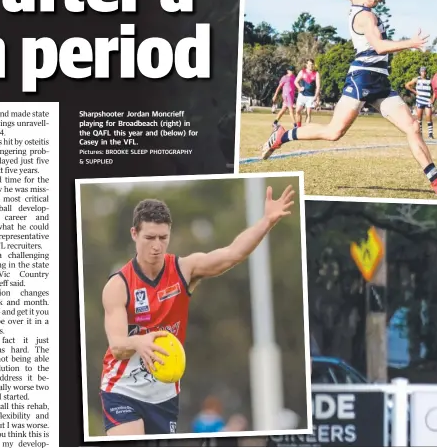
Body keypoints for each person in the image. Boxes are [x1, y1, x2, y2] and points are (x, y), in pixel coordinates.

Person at [99, 185, 296, 436]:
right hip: (122, 389)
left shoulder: (184, 269)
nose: (157, 246)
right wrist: (138, 342)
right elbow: (116, 347)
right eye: (149, 238)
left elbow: (232, 254)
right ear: (134, 234)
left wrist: (266, 221)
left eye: (163, 237)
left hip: (164, 392)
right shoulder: (119, 285)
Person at [259, 0, 437, 197]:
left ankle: (436, 180)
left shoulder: (361, 6)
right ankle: (282, 136)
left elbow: (359, 3)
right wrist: (411, 43)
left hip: (380, 80)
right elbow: (379, 47)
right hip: (362, 78)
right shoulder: (366, 17)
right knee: (333, 132)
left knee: (413, 127)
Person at [405, 66, 436, 139]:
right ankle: (420, 133)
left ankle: (430, 134)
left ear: (426, 72)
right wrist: (415, 92)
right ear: (420, 72)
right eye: (422, 71)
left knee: (429, 117)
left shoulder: (430, 80)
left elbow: (435, 90)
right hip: (419, 100)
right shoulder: (417, 79)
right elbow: (407, 85)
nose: (423, 73)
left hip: (427, 100)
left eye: (424, 71)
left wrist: (433, 99)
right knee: (419, 118)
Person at [294, 59, 321, 127]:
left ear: (313, 65)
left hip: (311, 97)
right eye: (309, 64)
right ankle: (299, 127)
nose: (310, 66)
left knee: (308, 113)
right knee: (297, 111)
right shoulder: (302, 72)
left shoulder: (316, 74)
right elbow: (295, 82)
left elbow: (318, 87)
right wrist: (299, 88)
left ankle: (306, 129)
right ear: (306, 65)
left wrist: (316, 97)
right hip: (302, 95)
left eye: (312, 65)